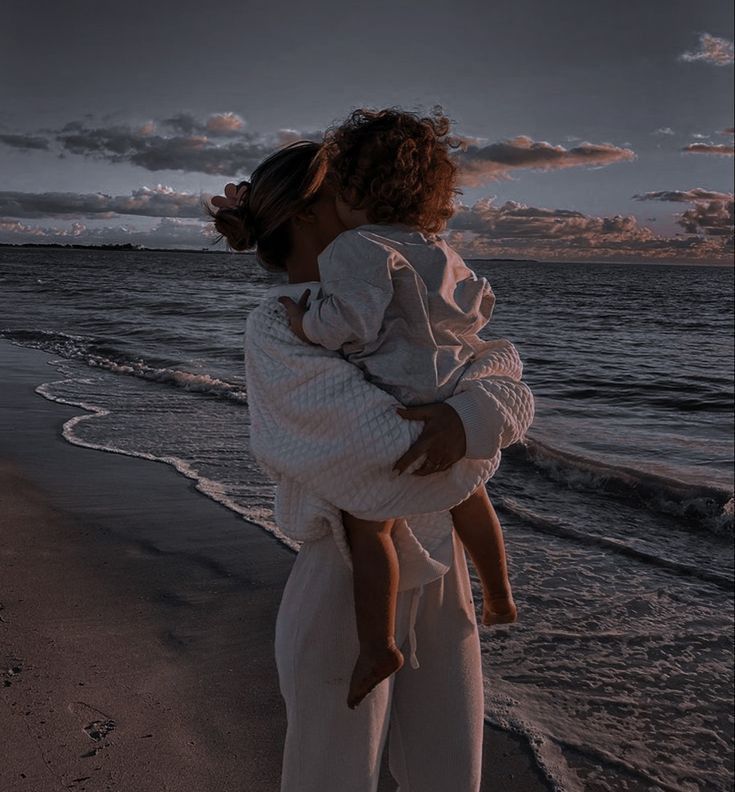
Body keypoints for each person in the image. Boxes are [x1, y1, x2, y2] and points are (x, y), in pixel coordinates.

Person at [208, 138, 535, 792]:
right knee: (333, 776)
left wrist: (469, 423)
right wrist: (472, 423)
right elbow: (391, 458)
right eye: (348, 189)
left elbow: (505, 368)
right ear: (307, 214)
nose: (373, 202)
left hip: (442, 575)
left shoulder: (395, 296)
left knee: (450, 774)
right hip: (345, 579)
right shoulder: (280, 323)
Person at [276, 109, 518, 710]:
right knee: (469, 496)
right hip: (452, 393)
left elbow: (346, 323)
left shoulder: (359, 246)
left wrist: (305, 322)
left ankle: (379, 644)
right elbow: (478, 314)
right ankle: (499, 591)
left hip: (400, 402)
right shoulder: (444, 251)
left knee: (369, 530)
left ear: (354, 190)